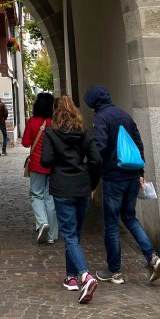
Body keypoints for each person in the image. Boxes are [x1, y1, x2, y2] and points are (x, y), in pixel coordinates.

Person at [84, 85, 160, 286]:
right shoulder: (125, 116)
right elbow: (138, 144)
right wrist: (140, 172)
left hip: (114, 177)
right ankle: (152, 257)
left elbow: (100, 147)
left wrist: (91, 173)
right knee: (130, 217)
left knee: (111, 224)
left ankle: (114, 270)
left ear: (93, 103)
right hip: (131, 176)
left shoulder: (101, 118)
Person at [40, 95, 101, 304]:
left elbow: (46, 161)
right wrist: (91, 183)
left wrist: (58, 158)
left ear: (55, 112)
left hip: (62, 187)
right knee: (74, 234)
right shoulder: (83, 131)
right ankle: (71, 277)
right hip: (82, 186)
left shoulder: (51, 132)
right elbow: (96, 159)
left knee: (69, 234)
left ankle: (85, 275)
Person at [21, 92, 58, 245]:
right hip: (53, 164)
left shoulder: (32, 122)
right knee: (50, 197)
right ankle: (52, 235)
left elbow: (25, 142)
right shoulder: (55, 122)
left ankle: (42, 223)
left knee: (37, 195)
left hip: (36, 164)